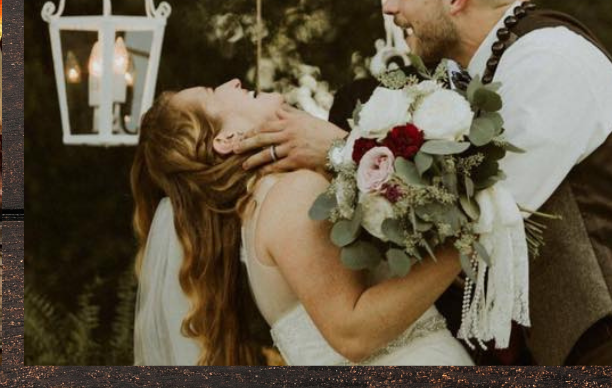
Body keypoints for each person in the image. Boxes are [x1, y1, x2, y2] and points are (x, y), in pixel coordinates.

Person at [228, 0, 612, 366]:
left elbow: (482, 203)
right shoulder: (486, 74)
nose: (388, 5)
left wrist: (340, 149)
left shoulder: (551, 59)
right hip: (603, 348)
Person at [129, 79, 474, 365]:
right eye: (210, 93)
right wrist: (470, 233)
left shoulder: (263, 204)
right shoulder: (291, 194)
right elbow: (353, 333)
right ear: (227, 140)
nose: (231, 82)